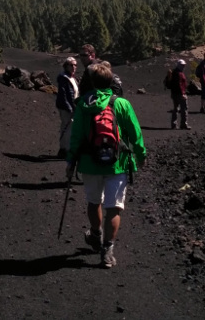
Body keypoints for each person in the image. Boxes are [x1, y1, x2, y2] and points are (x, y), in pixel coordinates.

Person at [66, 61, 146, 269]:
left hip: (89, 163)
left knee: (94, 203)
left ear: (92, 82)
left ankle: (96, 233)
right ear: (111, 81)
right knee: (114, 208)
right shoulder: (122, 104)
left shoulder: (84, 103)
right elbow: (135, 134)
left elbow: (75, 137)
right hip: (118, 163)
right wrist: (140, 155)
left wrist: (70, 161)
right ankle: (107, 250)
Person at [55, 57, 79, 159]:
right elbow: (64, 95)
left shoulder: (72, 78)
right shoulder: (64, 78)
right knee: (67, 128)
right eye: (71, 65)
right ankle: (65, 149)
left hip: (72, 106)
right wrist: (70, 108)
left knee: (69, 128)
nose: (73, 67)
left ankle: (66, 149)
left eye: (75, 65)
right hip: (66, 108)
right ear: (66, 66)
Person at [169, 59, 190, 130]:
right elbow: (180, 84)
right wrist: (182, 94)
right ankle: (184, 124)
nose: (183, 67)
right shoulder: (179, 74)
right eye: (182, 65)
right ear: (179, 65)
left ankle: (174, 124)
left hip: (174, 94)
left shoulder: (174, 72)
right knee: (184, 109)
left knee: (176, 109)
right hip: (180, 94)